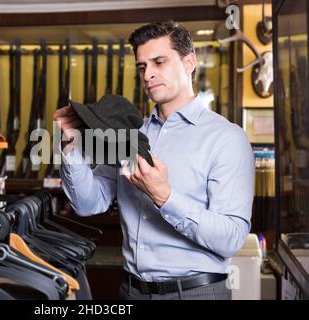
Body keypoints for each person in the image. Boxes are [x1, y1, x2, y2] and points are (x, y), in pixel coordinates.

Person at [53, 20, 255, 300]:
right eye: (142, 66)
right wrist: (70, 144)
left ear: (189, 63)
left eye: (159, 62)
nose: (148, 74)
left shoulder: (227, 138)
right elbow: (89, 203)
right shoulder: (129, 135)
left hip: (196, 293)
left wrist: (165, 196)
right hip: (131, 291)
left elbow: (231, 238)